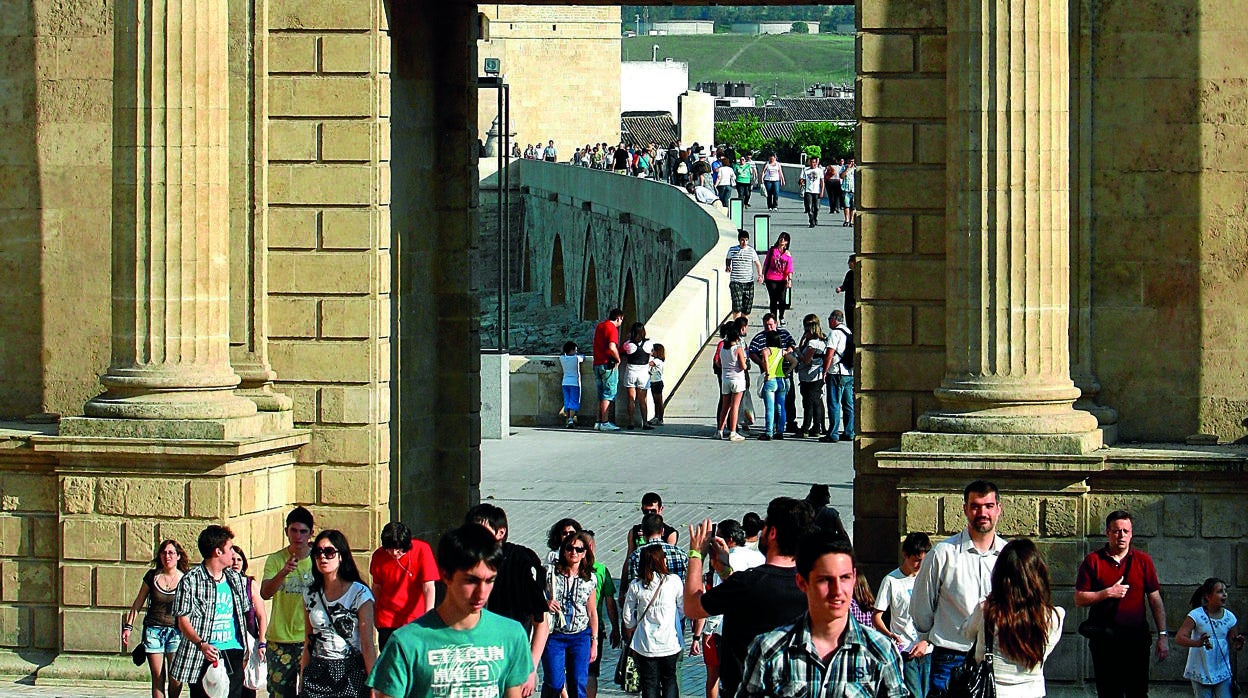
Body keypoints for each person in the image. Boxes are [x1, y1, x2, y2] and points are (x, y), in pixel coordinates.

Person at [367, 524, 532, 698]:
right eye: (471, 581)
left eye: (490, 580)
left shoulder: (511, 635)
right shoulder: (406, 642)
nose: (481, 593)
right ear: (446, 576)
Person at [737, 532, 907, 698]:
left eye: (845, 578)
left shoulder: (880, 651)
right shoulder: (770, 650)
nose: (837, 591)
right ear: (802, 583)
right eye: (825, 580)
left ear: (854, 578)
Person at [683, 497, 814, 698]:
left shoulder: (748, 583)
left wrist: (696, 553)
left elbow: (692, 606)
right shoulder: (812, 586)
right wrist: (726, 571)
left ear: (772, 533)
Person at [912, 480, 1008, 695]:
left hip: (999, 658)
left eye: (988, 506)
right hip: (951, 657)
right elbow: (921, 611)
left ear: (999, 509)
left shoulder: (1009, 556)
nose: (982, 512)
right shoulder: (942, 553)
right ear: (965, 509)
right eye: (975, 506)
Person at [1075, 509, 1170, 698]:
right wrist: (1108, 592)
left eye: (1126, 531)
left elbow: (1155, 599)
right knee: (1109, 693)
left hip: (1136, 641)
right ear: (1108, 533)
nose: (1122, 536)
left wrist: (1163, 635)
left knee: (1138, 692)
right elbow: (1079, 598)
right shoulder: (1093, 561)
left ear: (1131, 533)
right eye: (1117, 531)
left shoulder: (1143, 560)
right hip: (1105, 642)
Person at [466, 504, 550, 697]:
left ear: (500, 532)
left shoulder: (520, 562)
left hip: (510, 662)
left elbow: (541, 623)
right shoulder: (464, 562)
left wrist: (530, 668)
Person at [963, 539, 1065, 697]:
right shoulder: (1055, 617)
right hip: (1033, 692)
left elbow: (967, 633)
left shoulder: (986, 610)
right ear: (1038, 575)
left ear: (1000, 576)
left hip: (991, 691)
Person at [169, 525, 252, 698]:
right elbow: (182, 620)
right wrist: (202, 644)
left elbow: (244, 613)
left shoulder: (235, 578)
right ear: (218, 552)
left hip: (233, 650)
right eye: (229, 549)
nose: (233, 554)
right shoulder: (191, 580)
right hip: (203, 654)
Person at [691, 520, 766, 698]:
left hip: (730, 632)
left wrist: (708, 631)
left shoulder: (725, 561)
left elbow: (719, 600)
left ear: (729, 539)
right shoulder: (759, 557)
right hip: (757, 629)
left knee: (730, 682)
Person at [300, 530, 376, 698]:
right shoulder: (310, 594)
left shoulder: (359, 594)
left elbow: (367, 644)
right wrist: (301, 682)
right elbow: (308, 641)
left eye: (329, 552)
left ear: (341, 556)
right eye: (318, 552)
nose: (323, 557)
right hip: (317, 671)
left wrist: (373, 684)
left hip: (349, 673)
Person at [124, 539, 189, 698]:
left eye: (171, 553)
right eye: (164, 553)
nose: (167, 556)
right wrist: (128, 627)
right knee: (158, 677)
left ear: (178, 556)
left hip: (176, 633)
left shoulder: (186, 579)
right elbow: (138, 603)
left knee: (176, 678)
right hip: (154, 631)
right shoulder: (152, 576)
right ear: (160, 556)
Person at [261, 506, 315, 698]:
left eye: (303, 531)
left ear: (311, 533)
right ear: (286, 531)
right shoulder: (275, 559)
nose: (298, 536)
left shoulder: (319, 559)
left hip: (310, 638)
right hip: (279, 640)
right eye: (293, 530)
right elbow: (265, 593)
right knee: (279, 694)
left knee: (311, 692)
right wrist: (283, 572)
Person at [873, 532, 934, 698]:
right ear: (905, 555)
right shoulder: (891, 580)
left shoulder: (929, 578)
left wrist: (925, 641)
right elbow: (877, 616)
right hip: (905, 650)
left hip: (927, 649)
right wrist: (889, 634)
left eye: (923, 560)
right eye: (916, 560)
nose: (919, 565)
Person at [542, 531, 599, 698]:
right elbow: (534, 593)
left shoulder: (590, 579)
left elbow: (592, 611)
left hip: (580, 636)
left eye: (579, 549)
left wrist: (594, 641)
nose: (574, 552)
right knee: (554, 682)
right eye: (569, 548)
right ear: (563, 550)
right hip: (555, 635)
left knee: (577, 682)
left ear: (584, 553)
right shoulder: (550, 572)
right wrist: (545, 603)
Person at [623, 546, 685, 698]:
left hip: (646, 643)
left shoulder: (637, 585)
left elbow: (627, 614)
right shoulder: (674, 581)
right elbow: (683, 608)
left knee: (650, 682)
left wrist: (631, 627)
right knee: (670, 679)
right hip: (670, 641)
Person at [369, 522, 437, 649]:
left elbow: (428, 587)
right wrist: (372, 613)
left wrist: (429, 617)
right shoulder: (379, 555)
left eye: (399, 549)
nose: (394, 553)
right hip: (387, 619)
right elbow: (377, 587)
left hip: (415, 618)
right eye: (390, 548)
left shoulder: (422, 550)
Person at [1179, 577, 1245, 698]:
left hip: (1222, 670)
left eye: (1225, 591)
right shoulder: (1196, 615)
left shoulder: (1230, 618)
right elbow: (1180, 637)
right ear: (1208, 596)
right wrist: (1197, 643)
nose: (1224, 594)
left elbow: (1233, 643)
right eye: (1220, 591)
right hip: (1201, 669)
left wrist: (1237, 644)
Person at [584, 531, 620, 698]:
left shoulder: (570, 568)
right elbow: (610, 602)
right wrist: (615, 628)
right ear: (592, 546)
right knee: (591, 671)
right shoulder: (601, 570)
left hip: (570, 627)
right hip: (594, 627)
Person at [230, 546, 268, 698]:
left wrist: (262, 641)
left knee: (248, 683)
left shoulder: (249, 584)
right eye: (232, 559)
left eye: (239, 559)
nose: (235, 563)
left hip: (249, 638)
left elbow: (261, 615)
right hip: (230, 639)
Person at [822, 309, 855, 443]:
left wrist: (824, 371)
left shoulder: (835, 333)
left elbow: (830, 354)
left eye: (830, 319)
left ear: (834, 319)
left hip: (836, 372)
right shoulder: (849, 332)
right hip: (849, 372)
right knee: (848, 404)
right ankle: (849, 432)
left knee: (834, 403)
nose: (829, 321)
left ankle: (833, 433)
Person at [796, 314, 828, 438]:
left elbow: (806, 360)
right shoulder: (822, 341)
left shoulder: (813, 344)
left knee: (808, 403)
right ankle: (817, 427)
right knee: (816, 402)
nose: (804, 333)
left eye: (806, 331)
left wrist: (797, 351)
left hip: (810, 378)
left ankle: (806, 428)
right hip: (817, 376)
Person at [758, 330, 795, 441]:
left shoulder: (767, 350)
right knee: (781, 407)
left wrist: (767, 372)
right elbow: (794, 361)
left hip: (771, 380)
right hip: (781, 380)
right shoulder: (782, 351)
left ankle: (769, 432)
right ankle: (780, 431)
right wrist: (787, 372)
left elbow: (764, 358)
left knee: (770, 408)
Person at [591, 309, 624, 432]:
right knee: (608, 394)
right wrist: (618, 359)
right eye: (621, 320)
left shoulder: (600, 326)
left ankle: (598, 422)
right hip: (607, 366)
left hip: (597, 364)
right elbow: (611, 347)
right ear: (618, 318)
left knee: (600, 395)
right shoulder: (612, 328)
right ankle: (605, 422)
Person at [716, 321, 748, 442]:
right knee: (735, 406)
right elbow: (743, 366)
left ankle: (720, 430)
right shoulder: (737, 349)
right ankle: (733, 432)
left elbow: (718, 363)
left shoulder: (723, 349)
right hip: (737, 379)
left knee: (725, 406)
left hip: (725, 379)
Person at [621, 322, 655, 430]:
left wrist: (628, 338)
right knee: (642, 399)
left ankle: (631, 422)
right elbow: (650, 353)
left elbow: (623, 350)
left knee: (631, 399)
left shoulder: (628, 344)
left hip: (631, 371)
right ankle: (645, 422)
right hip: (643, 373)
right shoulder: (648, 344)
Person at [725, 231, 764, 321]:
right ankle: (737, 327)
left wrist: (760, 275)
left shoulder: (751, 251)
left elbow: (757, 264)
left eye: (746, 240)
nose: (744, 243)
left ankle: (743, 327)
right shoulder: (732, 249)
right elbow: (728, 258)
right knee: (737, 306)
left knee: (746, 309)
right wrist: (728, 266)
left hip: (748, 283)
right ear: (739, 240)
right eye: (742, 240)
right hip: (736, 282)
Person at [625, 493, 679, 557]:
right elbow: (629, 556)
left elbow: (669, 556)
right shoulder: (634, 531)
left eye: (653, 511)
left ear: (660, 509)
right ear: (642, 510)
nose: (650, 514)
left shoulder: (670, 533)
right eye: (646, 511)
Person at [760, 232, 794, 326]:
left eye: (784, 239)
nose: (782, 240)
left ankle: (781, 316)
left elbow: (789, 268)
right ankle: (773, 318)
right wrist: (762, 275)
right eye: (781, 238)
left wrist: (789, 280)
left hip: (782, 279)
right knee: (773, 299)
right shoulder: (772, 250)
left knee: (782, 299)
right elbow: (766, 263)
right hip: (771, 278)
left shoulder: (787, 254)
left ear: (787, 242)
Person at [559, 341, 584, 428]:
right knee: (574, 401)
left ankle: (567, 418)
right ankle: (571, 419)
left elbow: (562, 354)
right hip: (574, 383)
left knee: (567, 400)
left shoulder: (562, 358)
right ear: (572, 350)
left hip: (565, 382)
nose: (576, 352)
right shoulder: (576, 358)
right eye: (575, 350)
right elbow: (582, 358)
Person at [800, 156, 824, 227]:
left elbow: (822, 182)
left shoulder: (819, 171)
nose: (812, 164)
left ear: (816, 163)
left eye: (814, 162)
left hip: (817, 191)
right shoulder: (806, 170)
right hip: (808, 191)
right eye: (811, 162)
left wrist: (822, 191)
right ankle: (811, 220)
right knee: (809, 207)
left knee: (816, 207)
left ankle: (815, 218)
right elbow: (802, 179)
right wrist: (801, 182)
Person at [835, 254, 856, 332]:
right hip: (848, 303)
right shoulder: (849, 274)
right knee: (849, 323)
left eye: (850, 261)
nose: (848, 263)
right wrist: (840, 289)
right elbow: (845, 285)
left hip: (854, 302)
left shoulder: (859, 274)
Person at [647, 344, 666, 427]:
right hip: (653, 382)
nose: (652, 352)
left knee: (659, 401)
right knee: (655, 401)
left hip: (657, 383)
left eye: (653, 350)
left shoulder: (657, 360)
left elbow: (650, 363)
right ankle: (656, 416)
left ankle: (660, 418)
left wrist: (647, 355)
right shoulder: (656, 359)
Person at [841, 157, 857, 227]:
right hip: (846, 189)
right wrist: (847, 169)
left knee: (853, 206)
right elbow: (841, 176)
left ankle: (851, 221)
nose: (851, 163)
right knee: (846, 205)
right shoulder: (844, 167)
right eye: (850, 161)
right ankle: (846, 220)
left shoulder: (856, 168)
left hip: (854, 189)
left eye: (852, 161)